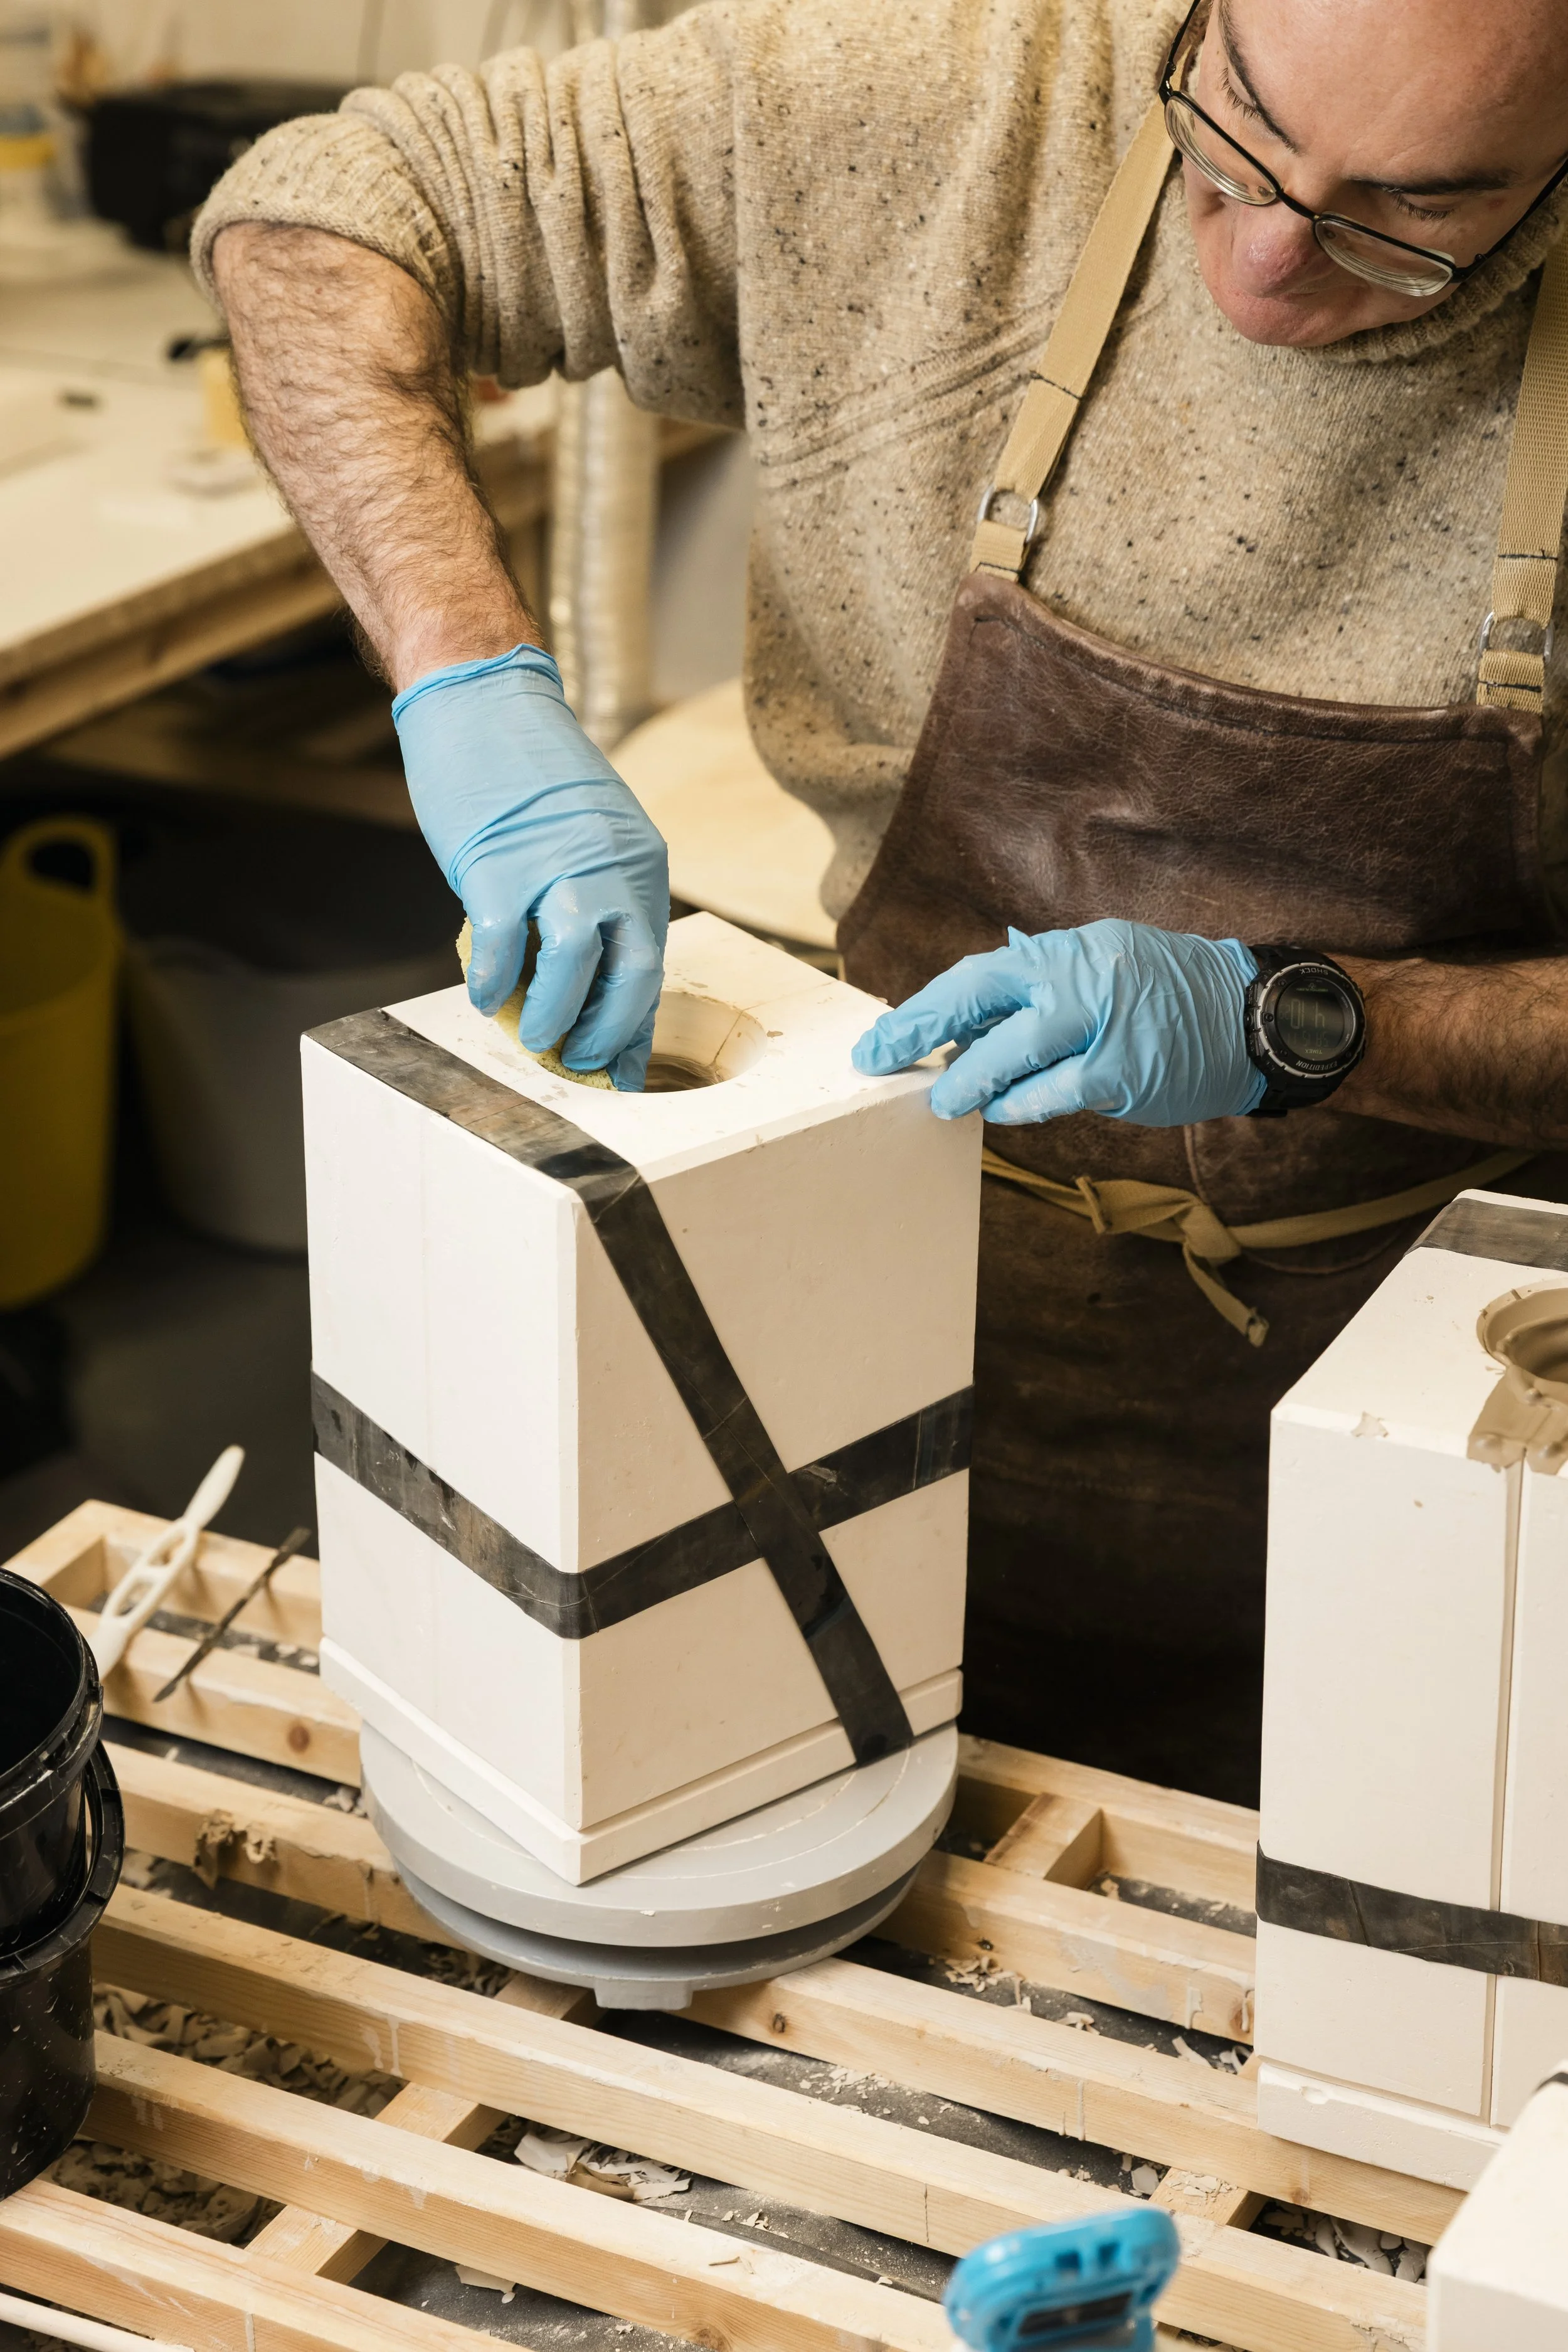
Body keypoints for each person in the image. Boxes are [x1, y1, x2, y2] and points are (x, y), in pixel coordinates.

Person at [196, 0, 1568, 1794]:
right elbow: (315, 214)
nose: (1260, 264)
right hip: (873, 1282)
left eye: (1412, 211)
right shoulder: (943, 96)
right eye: (1234, 127)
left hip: (1448, 1396)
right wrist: (466, 677)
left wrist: (1308, 1022)